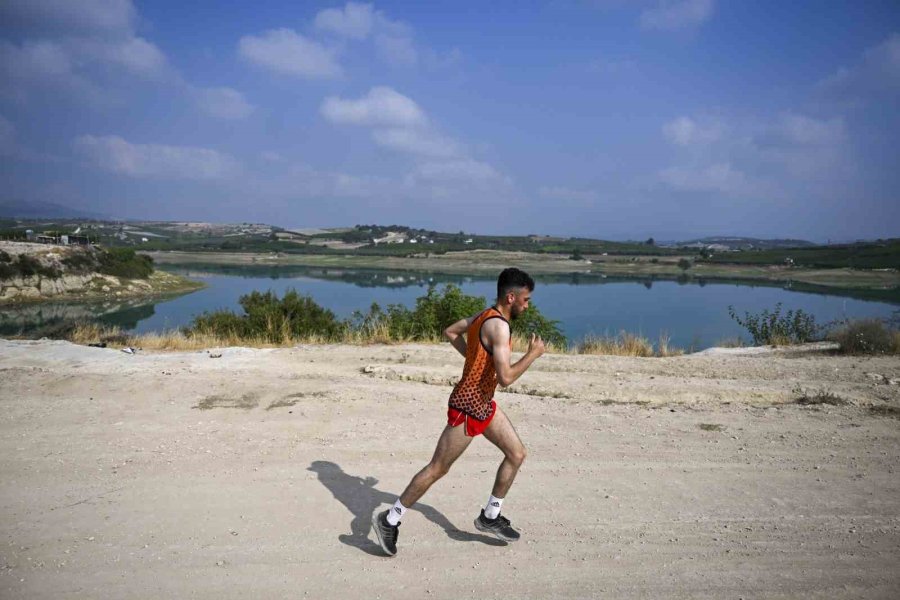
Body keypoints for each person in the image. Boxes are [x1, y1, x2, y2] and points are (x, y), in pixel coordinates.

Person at [372, 267, 546, 557]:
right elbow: (506, 378)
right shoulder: (500, 327)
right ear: (511, 297)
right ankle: (389, 519)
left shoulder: (482, 316)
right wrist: (532, 354)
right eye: (525, 300)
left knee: (516, 454)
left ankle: (490, 516)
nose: (527, 305)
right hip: (468, 407)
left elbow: (451, 331)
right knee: (438, 468)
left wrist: (475, 359)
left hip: (483, 404)